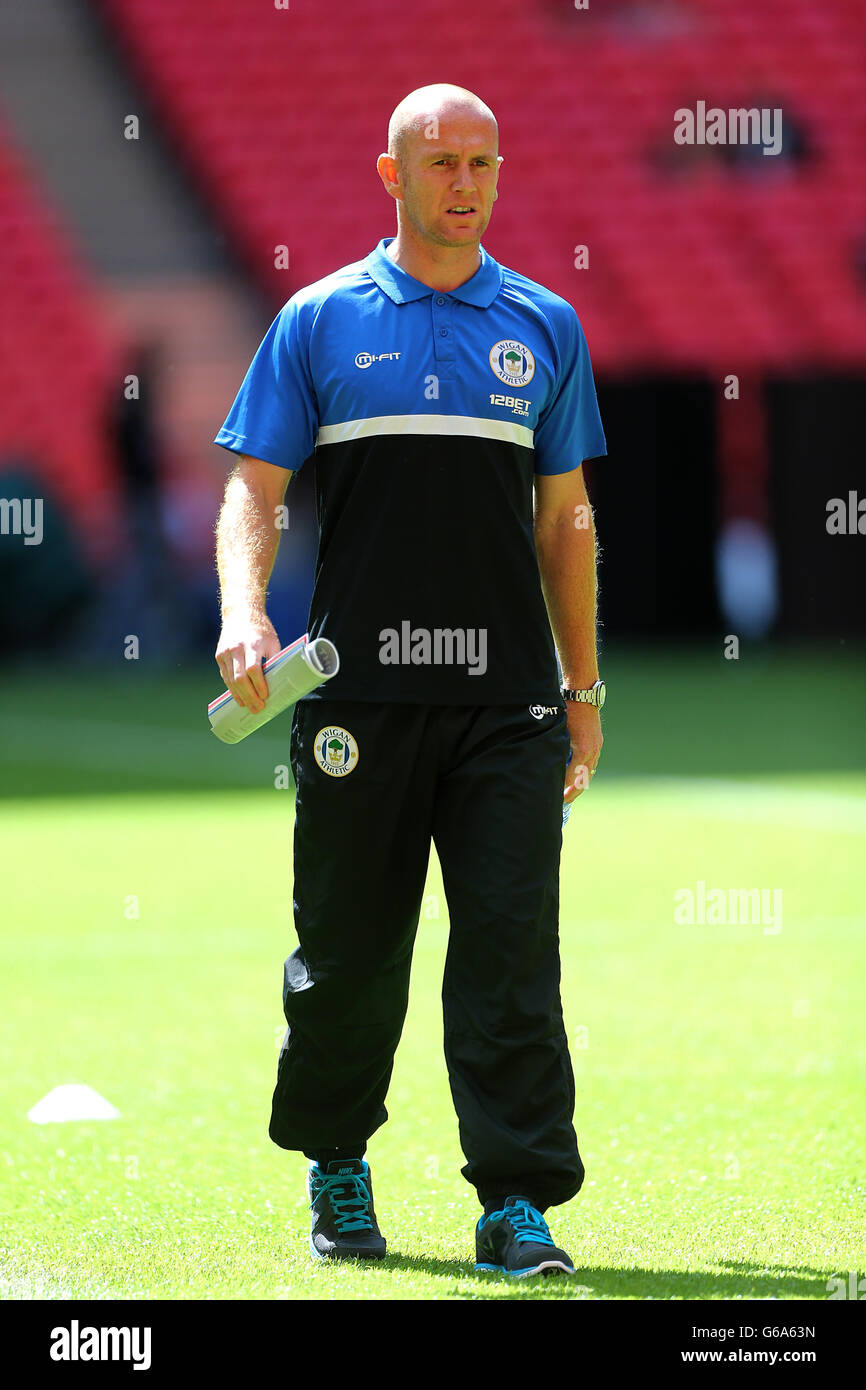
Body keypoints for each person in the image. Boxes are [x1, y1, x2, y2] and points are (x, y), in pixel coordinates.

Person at [213, 83, 607, 1277]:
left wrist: (581, 693)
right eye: (439, 162)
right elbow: (253, 490)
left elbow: (565, 522)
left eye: (482, 162)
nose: (464, 183)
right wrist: (241, 607)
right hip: (354, 707)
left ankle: (516, 1202)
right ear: (390, 176)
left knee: (509, 955)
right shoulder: (318, 321)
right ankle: (338, 1166)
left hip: (506, 710)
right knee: (348, 953)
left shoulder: (545, 325)